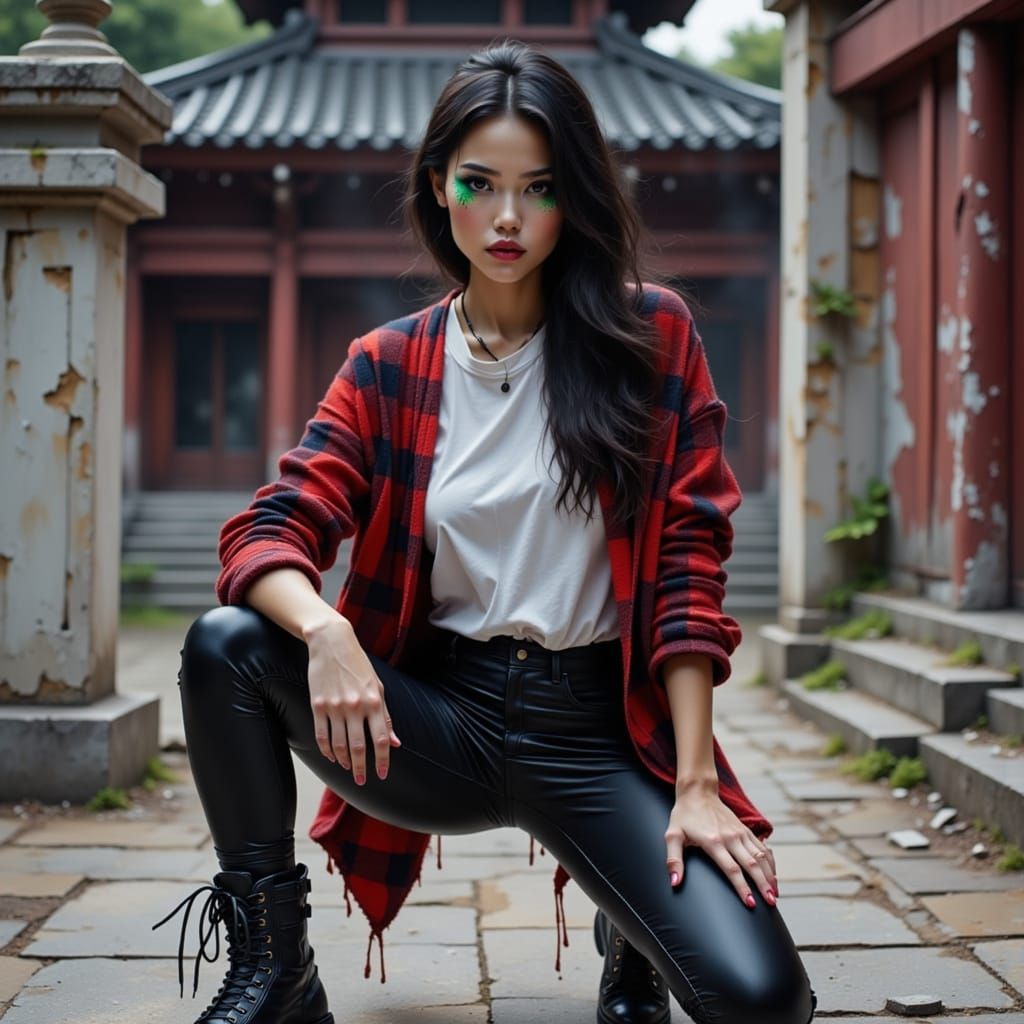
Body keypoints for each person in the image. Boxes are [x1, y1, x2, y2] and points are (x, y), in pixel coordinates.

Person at [154, 38, 817, 1024]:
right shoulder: (387, 364)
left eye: (539, 188)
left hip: (598, 729)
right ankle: (275, 967)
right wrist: (328, 633)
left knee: (762, 1003)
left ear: (574, 197)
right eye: (481, 184)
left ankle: (626, 927)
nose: (508, 218)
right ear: (438, 188)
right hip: (436, 720)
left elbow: (686, 570)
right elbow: (272, 524)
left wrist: (692, 783)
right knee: (229, 646)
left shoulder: (649, 337)